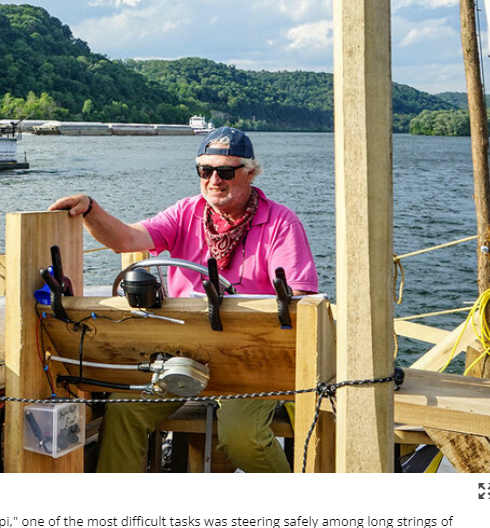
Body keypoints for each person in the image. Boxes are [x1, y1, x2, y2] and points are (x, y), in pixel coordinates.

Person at [47, 126, 318, 473]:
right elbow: (127, 239)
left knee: (241, 434)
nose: (214, 180)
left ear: (250, 172)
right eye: (205, 171)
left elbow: (301, 299)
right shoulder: (186, 213)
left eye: (225, 171)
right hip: (185, 354)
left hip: (254, 360)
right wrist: (90, 210)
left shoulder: (280, 223)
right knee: (125, 409)